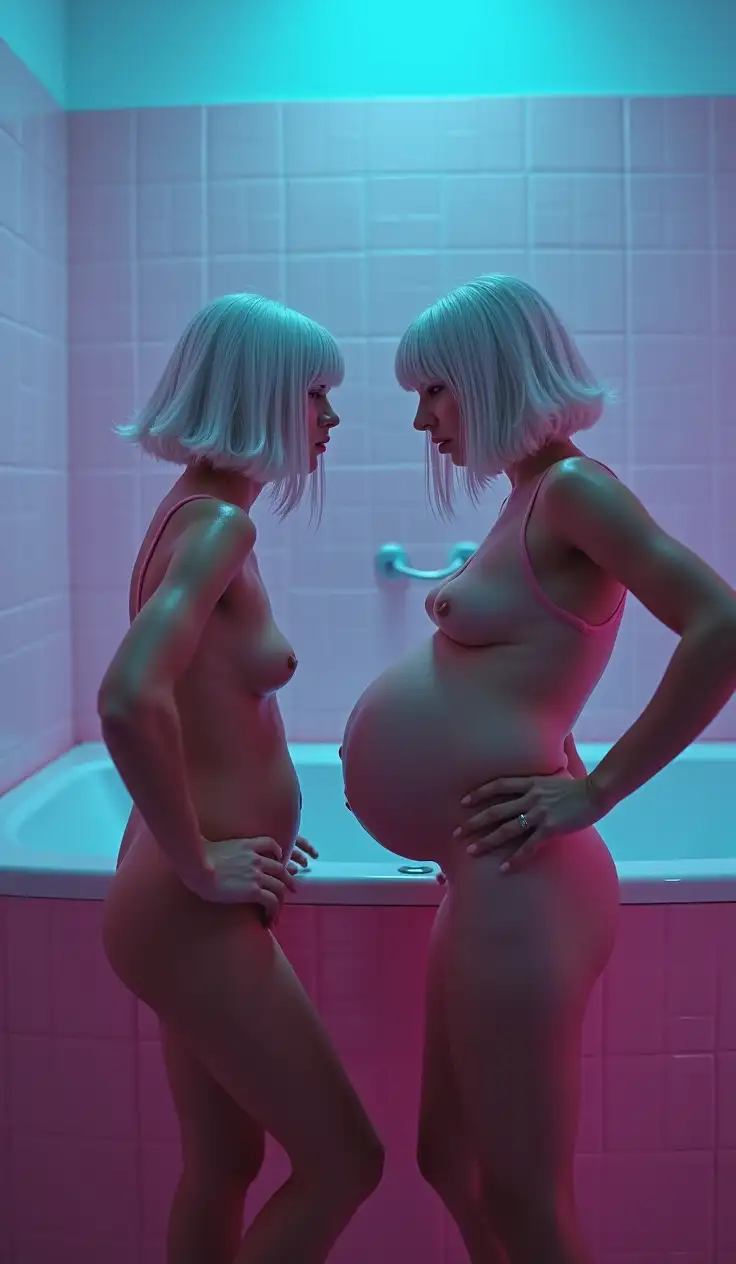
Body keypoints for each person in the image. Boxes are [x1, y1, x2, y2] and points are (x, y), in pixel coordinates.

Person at [340, 274, 736, 1264]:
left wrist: (594, 788)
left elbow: (719, 624)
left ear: (490, 374)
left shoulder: (575, 490)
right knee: (449, 1161)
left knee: (521, 1194)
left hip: (526, 882)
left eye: (435, 388)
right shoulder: (528, 496)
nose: (422, 416)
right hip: (485, 872)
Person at [98, 293, 384, 1264]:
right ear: (262, 396)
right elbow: (130, 698)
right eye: (316, 395)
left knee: (223, 1161)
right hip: (190, 904)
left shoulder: (192, 512)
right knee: (347, 1162)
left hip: (183, 892)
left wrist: (235, 829)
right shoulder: (218, 527)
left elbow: (192, 710)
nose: (330, 420)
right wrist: (202, 860)